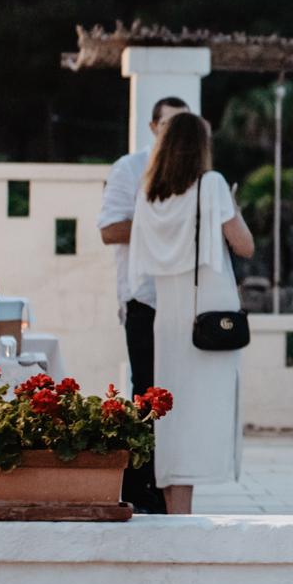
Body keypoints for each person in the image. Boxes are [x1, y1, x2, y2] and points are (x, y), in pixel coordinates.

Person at [129, 112, 254, 516]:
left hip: (168, 319)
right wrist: (233, 207)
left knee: (173, 419)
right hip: (209, 315)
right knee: (206, 412)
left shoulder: (149, 194)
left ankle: (175, 509)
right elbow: (245, 246)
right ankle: (182, 513)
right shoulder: (212, 185)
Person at [98, 96, 189, 512]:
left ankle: (173, 485)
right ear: (153, 128)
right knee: (147, 392)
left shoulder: (197, 175)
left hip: (187, 301)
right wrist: (164, 224)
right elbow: (110, 229)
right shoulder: (129, 169)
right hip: (145, 297)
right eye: (168, 124)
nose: (174, 132)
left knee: (182, 395)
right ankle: (139, 488)